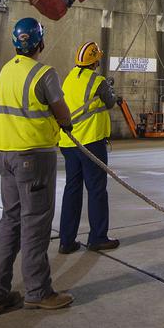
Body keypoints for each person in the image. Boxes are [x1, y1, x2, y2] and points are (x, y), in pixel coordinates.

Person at [0, 17, 75, 316]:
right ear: (41, 43)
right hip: (33, 156)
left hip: (5, 154)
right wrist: (65, 123)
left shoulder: (5, 71)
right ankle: (38, 292)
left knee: (10, 222)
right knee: (35, 224)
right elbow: (61, 110)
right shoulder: (43, 73)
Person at [57, 41, 120, 255]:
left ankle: (66, 241)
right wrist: (109, 88)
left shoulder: (69, 78)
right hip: (91, 142)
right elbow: (110, 102)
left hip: (69, 143)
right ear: (95, 61)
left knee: (72, 190)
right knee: (96, 190)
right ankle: (98, 238)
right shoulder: (97, 80)